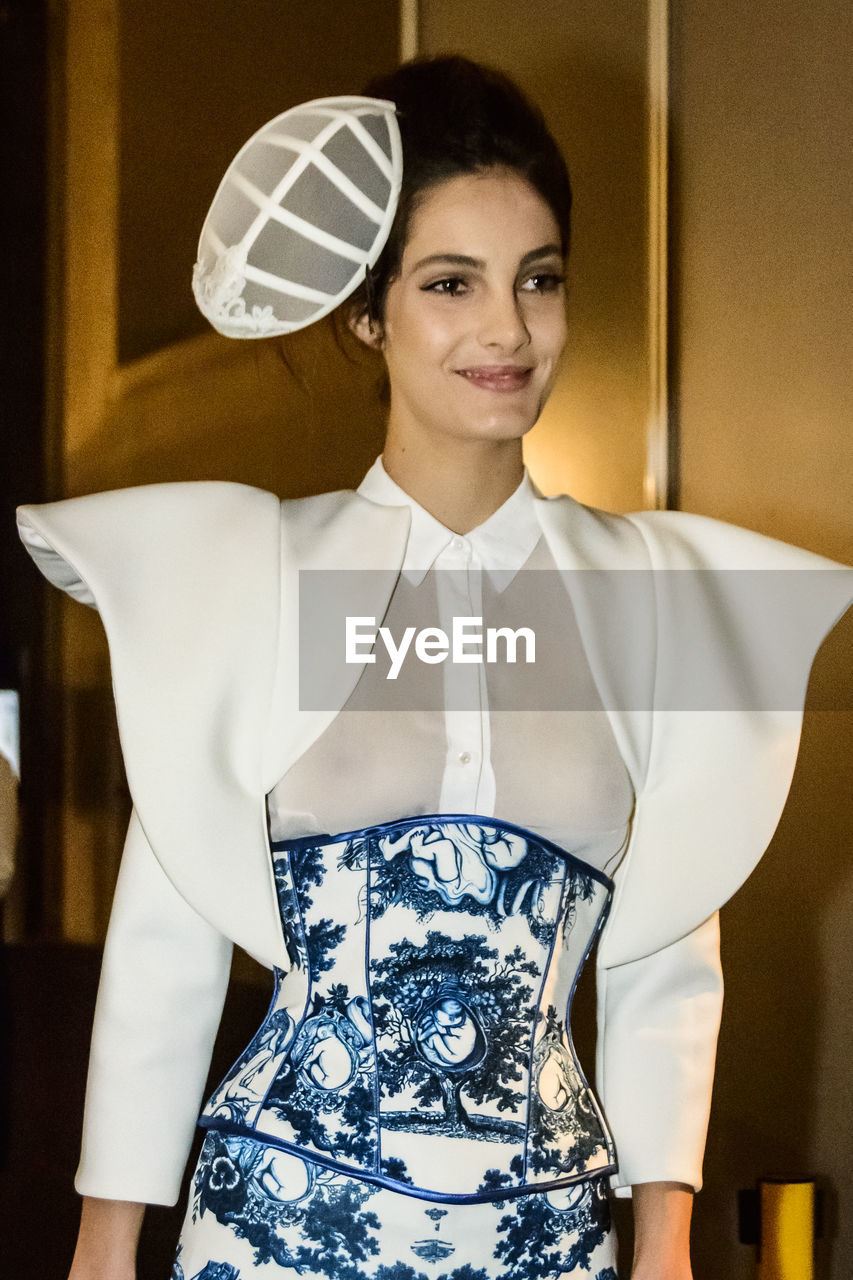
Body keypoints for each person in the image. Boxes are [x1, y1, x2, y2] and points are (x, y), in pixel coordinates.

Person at [16, 57, 851, 1280]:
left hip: (548, 1241)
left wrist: (663, 1240)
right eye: (450, 283)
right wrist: (103, 1244)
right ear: (369, 312)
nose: (507, 327)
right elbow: (167, 940)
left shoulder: (641, 598)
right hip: (270, 1235)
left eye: (539, 280)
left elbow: (670, 944)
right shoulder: (265, 575)